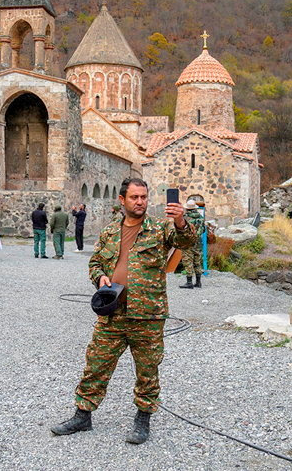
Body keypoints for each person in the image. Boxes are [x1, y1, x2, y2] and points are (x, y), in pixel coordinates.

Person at [51, 178, 197, 445]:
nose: (140, 202)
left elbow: (187, 242)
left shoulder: (159, 228)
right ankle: (83, 415)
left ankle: (143, 419)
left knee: (147, 370)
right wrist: (100, 279)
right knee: (96, 365)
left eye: (143, 197)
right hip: (112, 313)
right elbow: (95, 262)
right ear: (122, 200)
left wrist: (180, 221)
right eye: (134, 197)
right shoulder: (109, 232)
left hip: (148, 316)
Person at [179, 199, 205, 289]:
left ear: (187, 209)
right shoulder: (201, 218)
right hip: (198, 243)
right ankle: (198, 282)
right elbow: (204, 230)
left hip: (188, 243)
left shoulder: (186, 218)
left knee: (187, 261)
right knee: (197, 262)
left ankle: (189, 282)